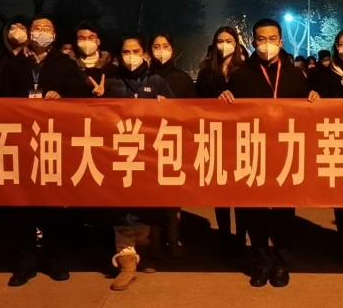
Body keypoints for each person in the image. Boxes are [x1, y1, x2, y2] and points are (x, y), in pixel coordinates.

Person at [222, 18, 319, 287]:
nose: (267, 44)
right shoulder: (241, 75)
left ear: (281, 41)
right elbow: (226, 111)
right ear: (254, 42)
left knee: (284, 209)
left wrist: (313, 98)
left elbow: (308, 108)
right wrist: (223, 99)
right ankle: (261, 260)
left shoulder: (295, 74)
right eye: (262, 39)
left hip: (285, 151)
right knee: (254, 208)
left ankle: (281, 261)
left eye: (272, 39)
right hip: (253, 150)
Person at [0, 17, 83, 287]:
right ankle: (25, 264)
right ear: (29, 33)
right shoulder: (14, 64)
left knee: (54, 204)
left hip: (54, 141)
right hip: (22, 141)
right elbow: (0, 100)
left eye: (47, 29)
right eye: (37, 28)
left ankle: (55, 260)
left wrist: (62, 97)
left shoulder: (65, 64)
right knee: (23, 206)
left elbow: (82, 97)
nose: (41, 32)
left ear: (55, 35)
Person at [103, 35, 174, 291]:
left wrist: (168, 107)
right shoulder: (111, 82)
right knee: (122, 209)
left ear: (144, 54)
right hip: (120, 155)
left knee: (146, 207)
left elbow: (177, 115)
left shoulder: (157, 82)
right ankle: (126, 264)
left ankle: (143, 253)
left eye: (135, 51)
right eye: (125, 52)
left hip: (149, 155)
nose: (130, 57)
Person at [196, 26, 248, 256]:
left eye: (229, 40)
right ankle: (225, 236)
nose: (224, 45)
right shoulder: (206, 72)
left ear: (236, 44)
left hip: (241, 137)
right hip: (215, 136)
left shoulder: (245, 70)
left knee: (242, 192)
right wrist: (214, 100)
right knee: (221, 192)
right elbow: (196, 101)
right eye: (220, 40)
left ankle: (241, 236)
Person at [148, 32, 195, 256]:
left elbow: (193, 110)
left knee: (173, 196)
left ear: (172, 49)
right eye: (156, 46)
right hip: (148, 142)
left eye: (165, 46)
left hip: (175, 141)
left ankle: (174, 239)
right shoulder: (145, 77)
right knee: (152, 196)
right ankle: (155, 240)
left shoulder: (183, 79)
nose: (161, 51)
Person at [73, 21, 116, 97]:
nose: (86, 41)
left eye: (91, 38)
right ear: (76, 42)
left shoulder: (110, 67)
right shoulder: (70, 65)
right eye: (82, 38)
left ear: (98, 41)